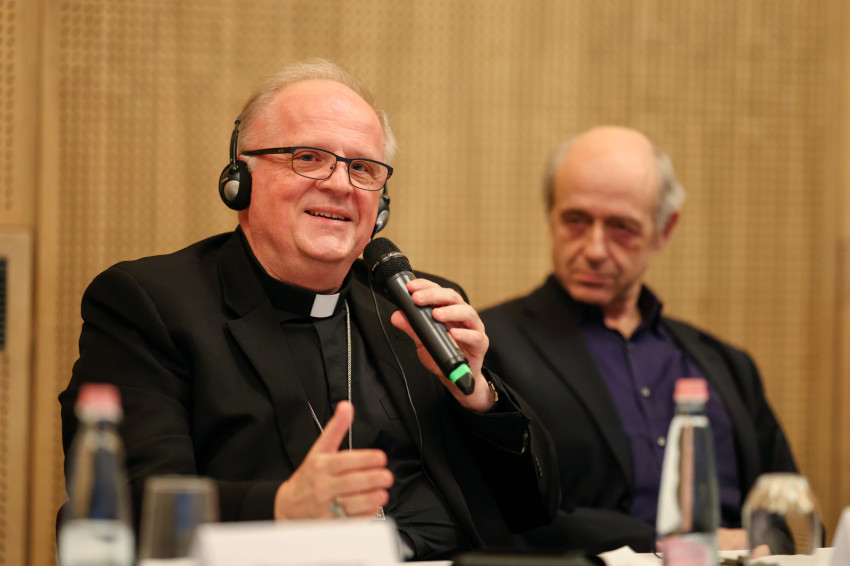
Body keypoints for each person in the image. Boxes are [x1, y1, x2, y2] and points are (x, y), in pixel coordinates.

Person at [59, 59, 559, 561]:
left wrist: (478, 397)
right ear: (241, 179)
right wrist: (282, 507)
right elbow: (129, 502)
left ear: (381, 204)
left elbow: (534, 508)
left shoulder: (417, 309)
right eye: (309, 158)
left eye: (362, 168)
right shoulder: (151, 303)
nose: (341, 185)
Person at [480, 126, 798, 554]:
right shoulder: (491, 349)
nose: (594, 249)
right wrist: (667, 544)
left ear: (664, 230)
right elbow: (497, 514)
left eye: (621, 227)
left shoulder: (727, 365)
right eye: (576, 220)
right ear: (551, 215)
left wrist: (763, 542)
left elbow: (783, 514)